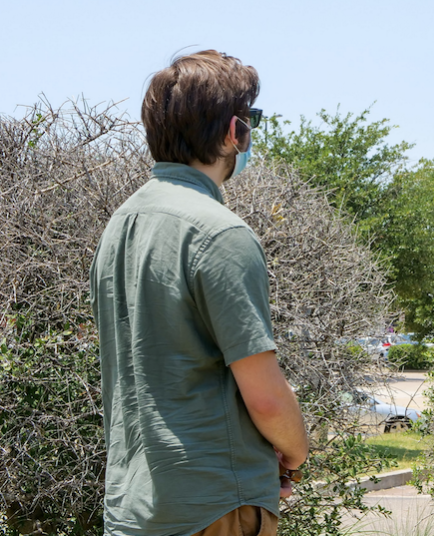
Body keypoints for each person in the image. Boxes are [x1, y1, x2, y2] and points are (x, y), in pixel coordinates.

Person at [90, 50, 309, 536]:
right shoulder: (220, 233)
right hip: (213, 508)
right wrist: (294, 452)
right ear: (235, 132)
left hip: (133, 509)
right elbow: (267, 399)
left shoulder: (117, 229)